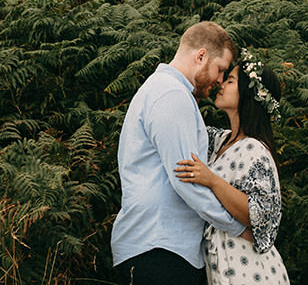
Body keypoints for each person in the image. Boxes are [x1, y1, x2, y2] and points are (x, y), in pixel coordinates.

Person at [112, 21, 248, 285]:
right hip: (159, 249)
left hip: (160, 247)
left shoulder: (164, 91)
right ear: (201, 56)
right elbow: (186, 180)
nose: (220, 80)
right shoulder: (171, 94)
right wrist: (238, 227)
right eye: (220, 69)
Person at [175, 48, 289, 285]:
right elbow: (185, 125)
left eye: (230, 80)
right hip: (222, 267)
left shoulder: (255, 149)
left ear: (249, 94)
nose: (221, 85)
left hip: (250, 271)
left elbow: (259, 213)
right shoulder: (218, 141)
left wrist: (212, 181)